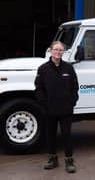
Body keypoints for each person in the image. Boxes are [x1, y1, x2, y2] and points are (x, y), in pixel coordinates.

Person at [34, 41, 79, 173]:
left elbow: (74, 86)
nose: (58, 52)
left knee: (66, 134)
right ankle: (52, 159)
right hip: (49, 109)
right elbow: (38, 89)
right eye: (56, 49)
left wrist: (72, 101)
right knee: (51, 135)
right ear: (50, 51)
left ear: (63, 52)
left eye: (61, 50)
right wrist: (43, 104)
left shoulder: (68, 68)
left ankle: (69, 161)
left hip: (66, 109)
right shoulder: (43, 69)